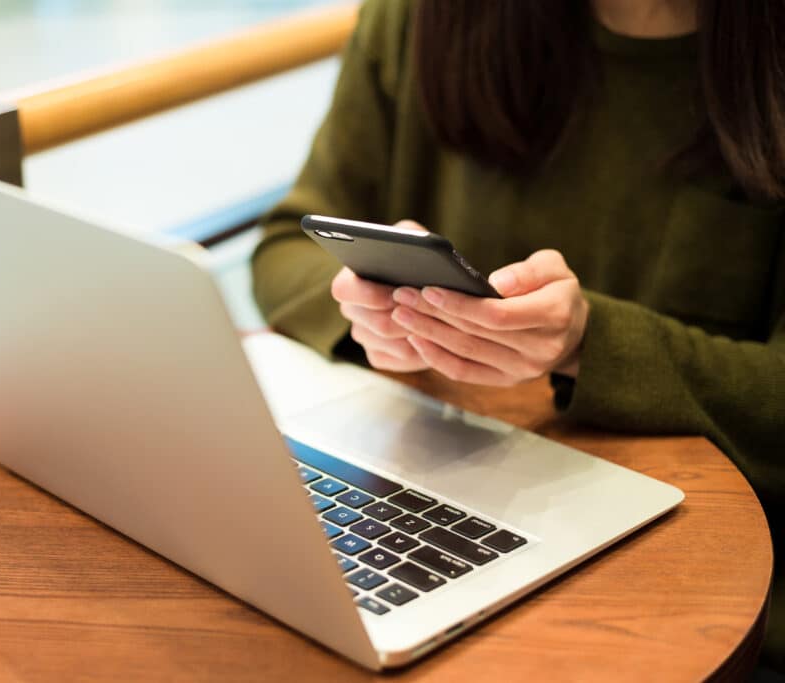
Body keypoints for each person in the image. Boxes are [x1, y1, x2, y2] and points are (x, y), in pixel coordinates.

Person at [251, 0, 784, 671]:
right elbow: (285, 244)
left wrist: (592, 341)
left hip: (707, 592)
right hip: (434, 501)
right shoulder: (420, 19)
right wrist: (370, 319)